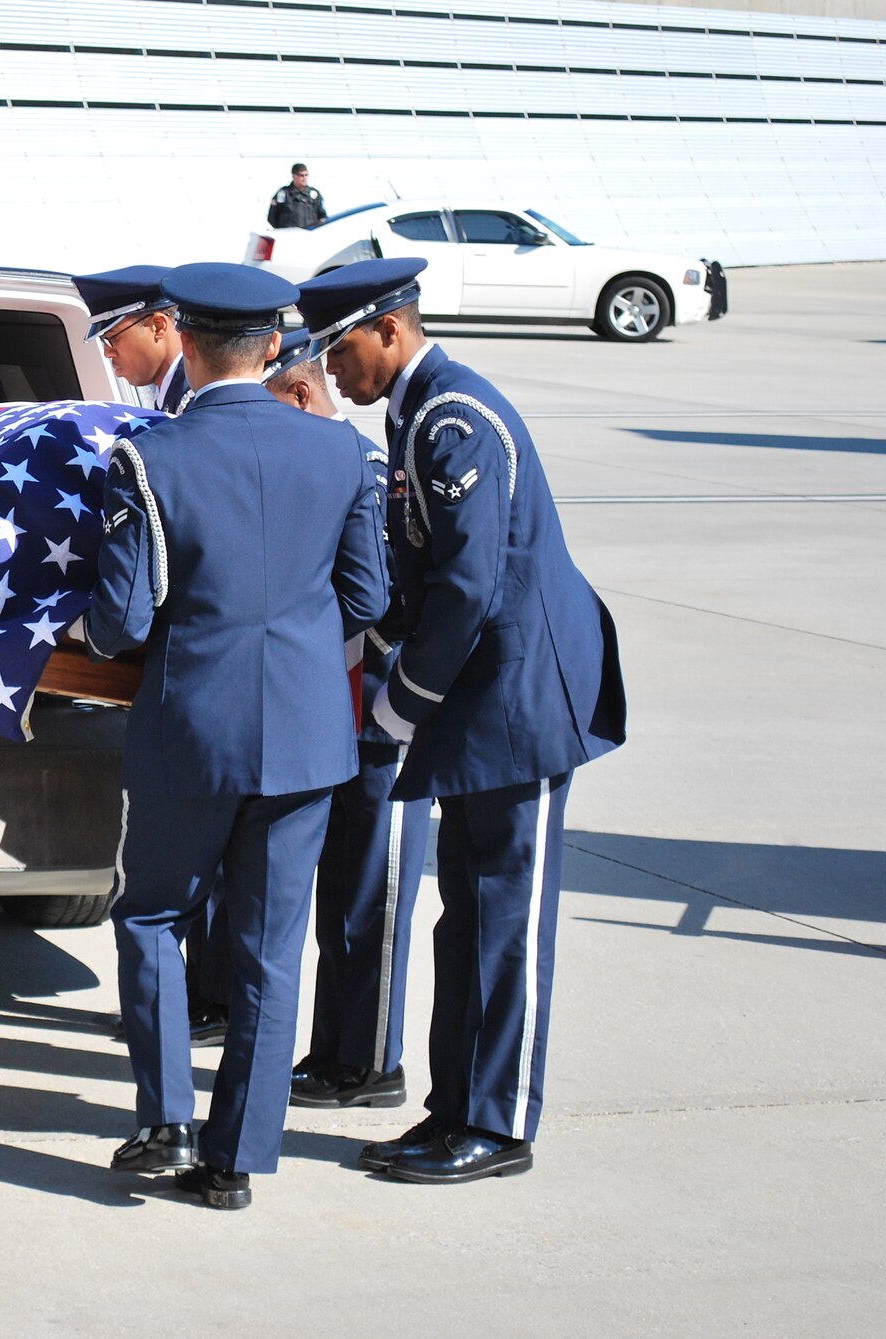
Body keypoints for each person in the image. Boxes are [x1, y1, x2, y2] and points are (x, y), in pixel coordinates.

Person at [311, 257, 626, 1184]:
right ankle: (455, 1109)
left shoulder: (454, 418)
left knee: (502, 917)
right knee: (468, 917)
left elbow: (467, 587)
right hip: (479, 698)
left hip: (515, 701)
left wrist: (398, 703)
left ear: (390, 331)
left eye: (340, 349)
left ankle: (496, 1124)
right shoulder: (422, 410)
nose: (331, 371)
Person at [86, 263, 389, 1209]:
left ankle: (165, 1117)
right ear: (271, 348)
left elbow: (122, 623)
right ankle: (236, 1161)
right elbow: (371, 598)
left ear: (184, 337)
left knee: (149, 918)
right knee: (269, 949)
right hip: (304, 733)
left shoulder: (149, 456)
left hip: (192, 729)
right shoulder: (339, 454)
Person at [263, 327, 433, 1112]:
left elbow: (385, 598)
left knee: (375, 894)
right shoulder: (326, 460)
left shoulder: (363, 466)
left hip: (379, 709)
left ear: (301, 396)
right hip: (332, 710)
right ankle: (332, 1048)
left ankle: (369, 1062)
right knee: (340, 896)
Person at [73, 264, 228, 1047]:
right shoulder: (165, 408)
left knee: (196, 867)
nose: (108, 357)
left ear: (164, 328)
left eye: (115, 336)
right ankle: (203, 996)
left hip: (203, 674)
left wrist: (99, 628)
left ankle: (208, 1000)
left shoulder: (193, 412)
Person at [72, 266, 194, 415]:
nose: (107, 353)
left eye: (113, 338)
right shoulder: (173, 394)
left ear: (157, 326)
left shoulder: (197, 400)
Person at [267, 163, 327, 230]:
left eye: (306, 175)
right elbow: (272, 217)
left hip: (309, 235)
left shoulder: (314, 194)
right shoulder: (283, 193)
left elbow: (322, 217)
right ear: (294, 176)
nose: (304, 178)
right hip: (289, 235)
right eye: (301, 175)